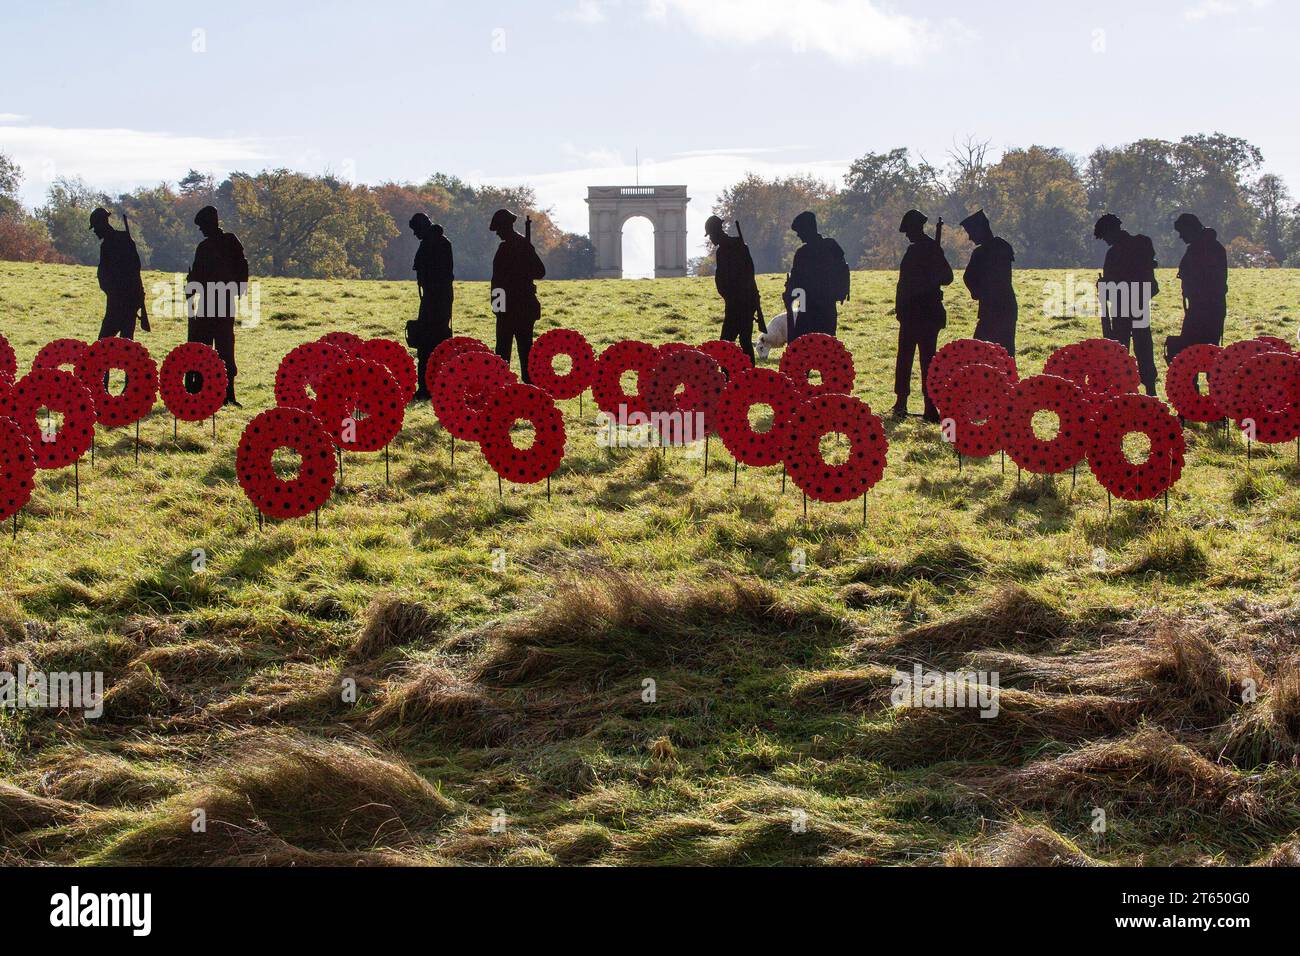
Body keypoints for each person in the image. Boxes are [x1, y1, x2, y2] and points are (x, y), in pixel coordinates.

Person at [185, 205, 248, 405]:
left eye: (203, 225)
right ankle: (205, 392)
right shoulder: (208, 246)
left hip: (221, 303)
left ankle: (227, 394)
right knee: (207, 349)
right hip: (210, 304)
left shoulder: (227, 242)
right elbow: (197, 274)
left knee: (223, 350)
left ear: (211, 223)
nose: (201, 230)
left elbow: (241, 267)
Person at [894, 209, 953, 422]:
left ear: (916, 228)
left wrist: (932, 274)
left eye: (909, 230)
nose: (907, 235)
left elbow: (947, 277)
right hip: (911, 314)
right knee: (905, 360)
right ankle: (901, 402)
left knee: (927, 362)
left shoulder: (932, 249)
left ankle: (930, 406)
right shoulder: (918, 250)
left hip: (925, 314)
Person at [1094, 214, 1159, 396]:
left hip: (1122, 305)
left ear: (1110, 231)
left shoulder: (1114, 253)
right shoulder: (1143, 243)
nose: (1105, 241)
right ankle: (1150, 390)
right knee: (1143, 345)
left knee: (1120, 349)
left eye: (1105, 236)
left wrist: (1103, 286)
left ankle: (1122, 389)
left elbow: (1111, 288)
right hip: (1139, 302)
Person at [489, 208, 545, 384]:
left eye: (498, 228)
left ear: (505, 226)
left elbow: (497, 282)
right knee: (524, 349)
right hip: (522, 307)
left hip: (510, 308)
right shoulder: (523, 245)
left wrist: (498, 309)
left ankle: (502, 386)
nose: (497, 233)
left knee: (506, 351)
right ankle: (528, 387)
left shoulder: (510, 248)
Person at [782, 211, 850, 342]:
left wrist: (789, 294)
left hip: (808, 309)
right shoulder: (831, 246)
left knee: (806, 345)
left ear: (807, 229)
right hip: (828, 308)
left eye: (800, 231)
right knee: (827, 345)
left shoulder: (803, 254)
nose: (798, 235)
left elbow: (796, 283)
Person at [960, 209, 1018, 357]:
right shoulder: (1002, 246)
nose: (970, 237)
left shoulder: (981, 253)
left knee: (981, 351)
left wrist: (978, 292)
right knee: (1004, 352)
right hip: (1004, 308)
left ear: (980, 230)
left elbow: (968, 277)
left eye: (971, 232)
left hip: (993, 309)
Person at [705, 215, 763, 364]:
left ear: (716, 232)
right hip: (746, 302)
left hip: (736, 304)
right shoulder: (740, 245)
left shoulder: (724, 251)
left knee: (726, 343)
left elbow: (730, 278)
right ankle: (749, 375)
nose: (711, 239)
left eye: (710, 235)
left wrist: (730, 296)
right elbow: (750, 274)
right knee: (745, 341)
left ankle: (727, 376)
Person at [409, 213, 454, 399]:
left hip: (435, 300)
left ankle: (428, 388)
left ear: (422, 227)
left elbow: (436, 274)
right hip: (437, 300)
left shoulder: (434, 244)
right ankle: (433, 387)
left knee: (428, 344)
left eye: (415, 230)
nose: (414, 234)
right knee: (433, 344)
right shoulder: (439, 242)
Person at [1171, 213, 1227, 359]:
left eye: (1182, 232)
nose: (1181, 237)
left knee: (1192, 350)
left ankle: (1194, 380)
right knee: (1205, 349)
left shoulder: (1202, 248)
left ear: (1190, 229)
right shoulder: (1210, 246)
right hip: (1208, 307)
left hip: (1204, 308)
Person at [90, 207, 148, 341]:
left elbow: (132, 269)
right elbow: (135, 267)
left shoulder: (109, 244)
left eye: (95, 227)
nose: (95, 231)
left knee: (102, 344)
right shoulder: (124, 239)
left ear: (102, 223)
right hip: (128, 299)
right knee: (126, 342)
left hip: (119, 300)